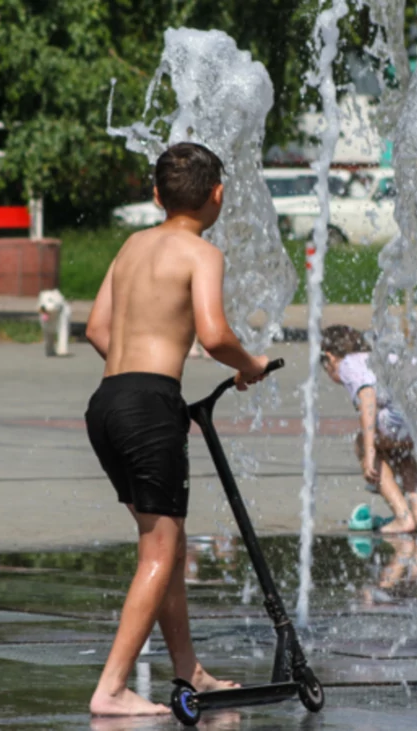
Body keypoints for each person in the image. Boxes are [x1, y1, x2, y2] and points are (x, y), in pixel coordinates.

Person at [83, 141, 269, 716]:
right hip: (148, 404)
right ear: (218, 196)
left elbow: (95, 329)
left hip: (108, 401)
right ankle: (111, 688)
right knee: (160, 555)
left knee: (167, 542)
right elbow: (213, 335)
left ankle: (190, 670)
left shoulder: (132, 246)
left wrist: (134, 374)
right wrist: (250, 365)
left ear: (157, 194)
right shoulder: (201, 253)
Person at [319, 324, 417, 534]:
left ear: (330, 357)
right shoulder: (376, 358)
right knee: (401, 452)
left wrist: (369, 450)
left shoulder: (348, 364)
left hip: (407, 411)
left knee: (363, 443)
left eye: (324, 365)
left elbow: (368, 400)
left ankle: (403, 517)